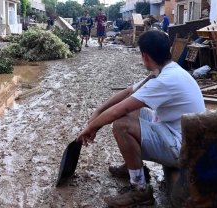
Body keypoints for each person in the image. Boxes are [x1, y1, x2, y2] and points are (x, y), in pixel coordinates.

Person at [77, 30, 206, 207]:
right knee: (128, 113)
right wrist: (97, 113)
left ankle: (140, 190)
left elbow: (117, 112)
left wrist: (92, 127)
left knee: (121, 125)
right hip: (178, 133)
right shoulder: (168, 70)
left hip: (183, 149)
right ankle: (134, 168)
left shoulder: (164, 80)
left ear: (144, 56)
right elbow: (129, 92)